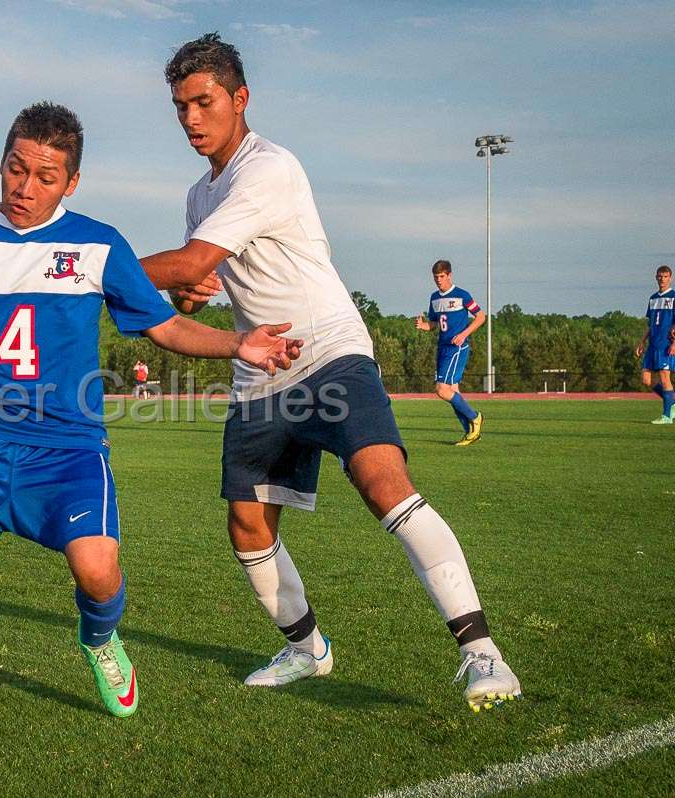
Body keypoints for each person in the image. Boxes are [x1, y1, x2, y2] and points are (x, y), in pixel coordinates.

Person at [0, 102, 303, 741]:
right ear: (1, 163)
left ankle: (100, 638)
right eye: (15, 169)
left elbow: (163, 324)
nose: (25, 188)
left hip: (67, 447)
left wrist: (240, 343)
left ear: (72, 182)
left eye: (45, 176)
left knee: (97, 570)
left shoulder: (97, 244)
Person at [139, 33, 520, 711]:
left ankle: (482, 654)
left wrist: (91, 271)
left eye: (204, 102)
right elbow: (200, 278)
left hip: (329, 351)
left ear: (240, 98)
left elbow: (195, 260)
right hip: (261, 371)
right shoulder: (200, 195)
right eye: (180, 107)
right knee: (248, 527)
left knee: (381, 479)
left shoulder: (270, 167)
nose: (191, 119)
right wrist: (185, 294)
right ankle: (306, 649)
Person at [414, 260, 485, 445]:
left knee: (441, 389)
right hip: (442, 347)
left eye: (442, 276)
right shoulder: (434, 298)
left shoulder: (462, 295)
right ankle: (470, 432)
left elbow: (481, 316)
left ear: (449, 275)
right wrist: (424, 326)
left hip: (457, 347)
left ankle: (475, 417)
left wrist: (464, 334)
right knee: (453, 390)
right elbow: (435, 323)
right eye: (436, 277)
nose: (438, 280)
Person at [635, 264, 675, 424]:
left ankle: (667, 416)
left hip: (666, 344)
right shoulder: (653, 299)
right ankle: (672, 402)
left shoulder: (673, 297)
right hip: (653, 344)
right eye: (660, 276)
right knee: (646, 379)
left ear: (670, 278)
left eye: (665, 276)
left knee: (665, 378)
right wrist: (642, 341)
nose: (662, 279)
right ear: (656, 277)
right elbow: (650, 324)